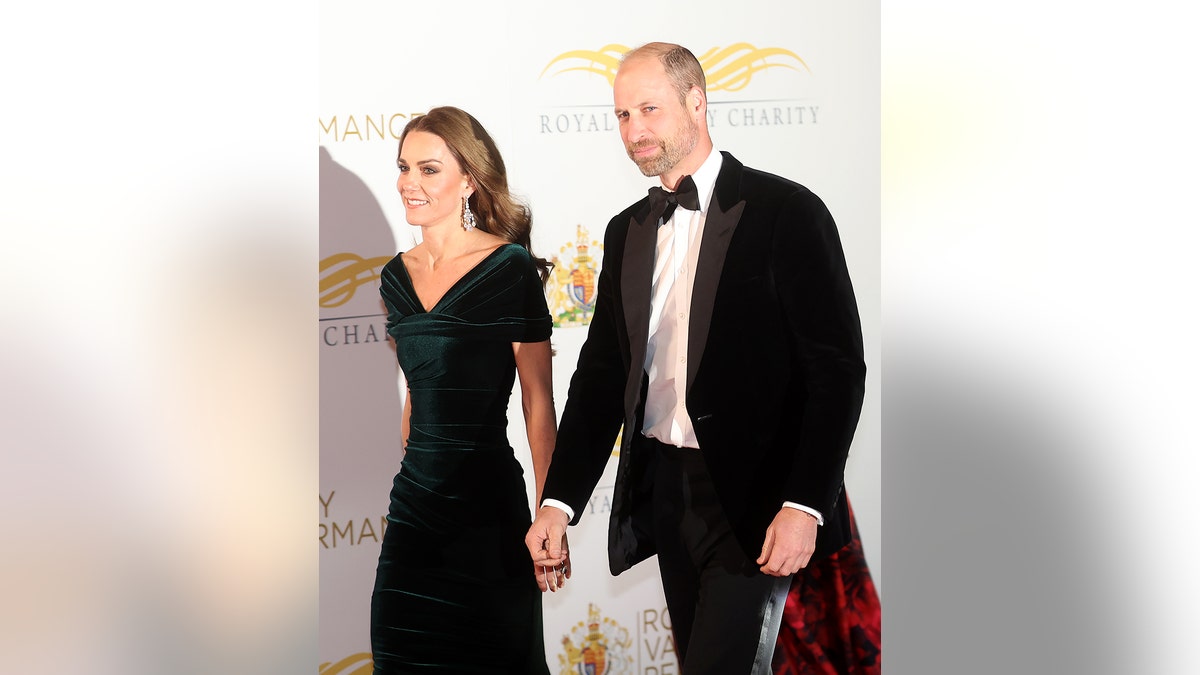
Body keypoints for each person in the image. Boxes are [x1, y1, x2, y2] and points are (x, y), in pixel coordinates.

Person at [525, 43, 866, 673]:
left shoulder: (785, 212)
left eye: (649, 109)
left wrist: (804, 504)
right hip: (668, 493)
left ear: (697, 102)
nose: (634, 131)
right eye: (623, 116)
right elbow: (602, 377)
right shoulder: (626, 229)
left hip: (757, 499)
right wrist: (558, 500)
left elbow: (837, 370)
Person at [372, 106, 560, 674]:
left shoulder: (508, 269)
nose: (410, 183)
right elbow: (415, 392)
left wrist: (547, 513)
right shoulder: (394, 276)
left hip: (488, 514)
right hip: (414, 515)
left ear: (469, 181)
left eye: (429, 169)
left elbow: (538, 404)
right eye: (404, 167)